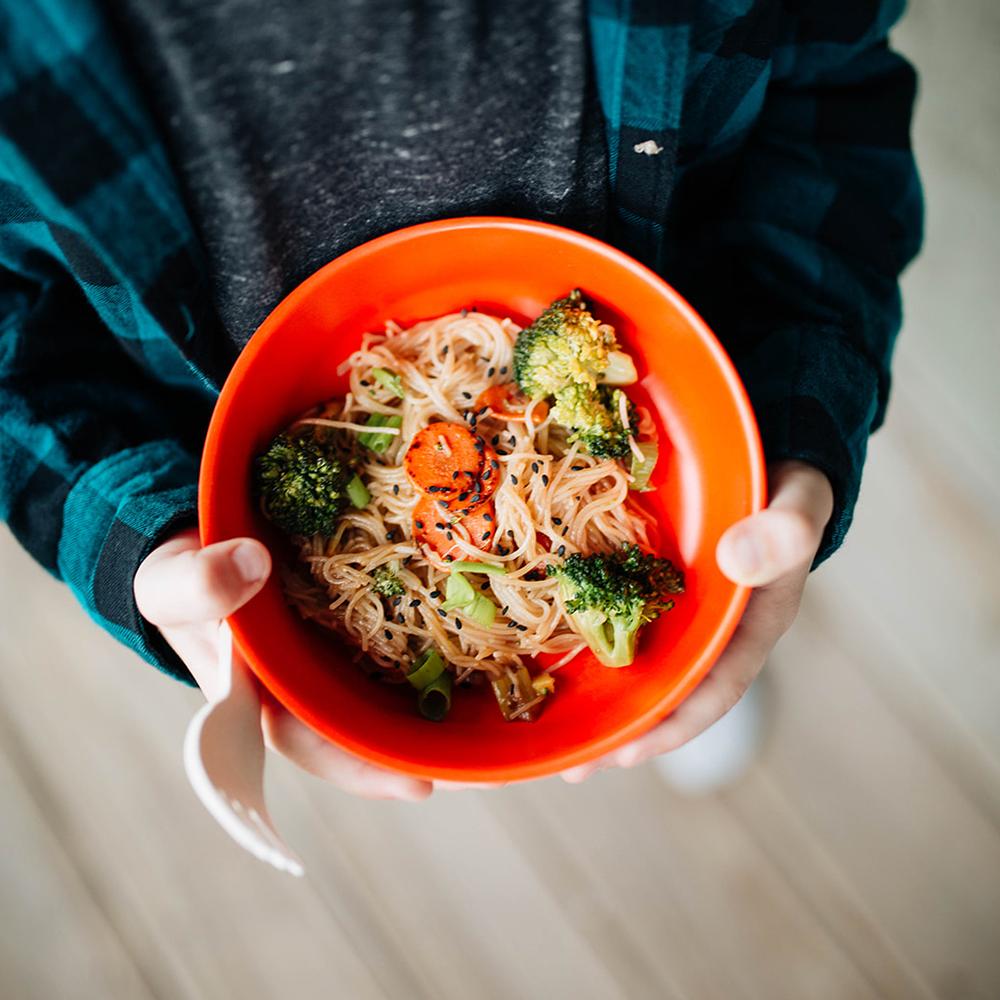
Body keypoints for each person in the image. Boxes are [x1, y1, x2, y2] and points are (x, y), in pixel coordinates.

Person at [0, 0, 922, 800]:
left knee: (681, 639)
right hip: (225, 424)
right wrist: (132, 533)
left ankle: (678, 657)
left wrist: (800, 400)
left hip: (700, 324)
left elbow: (828, 97)